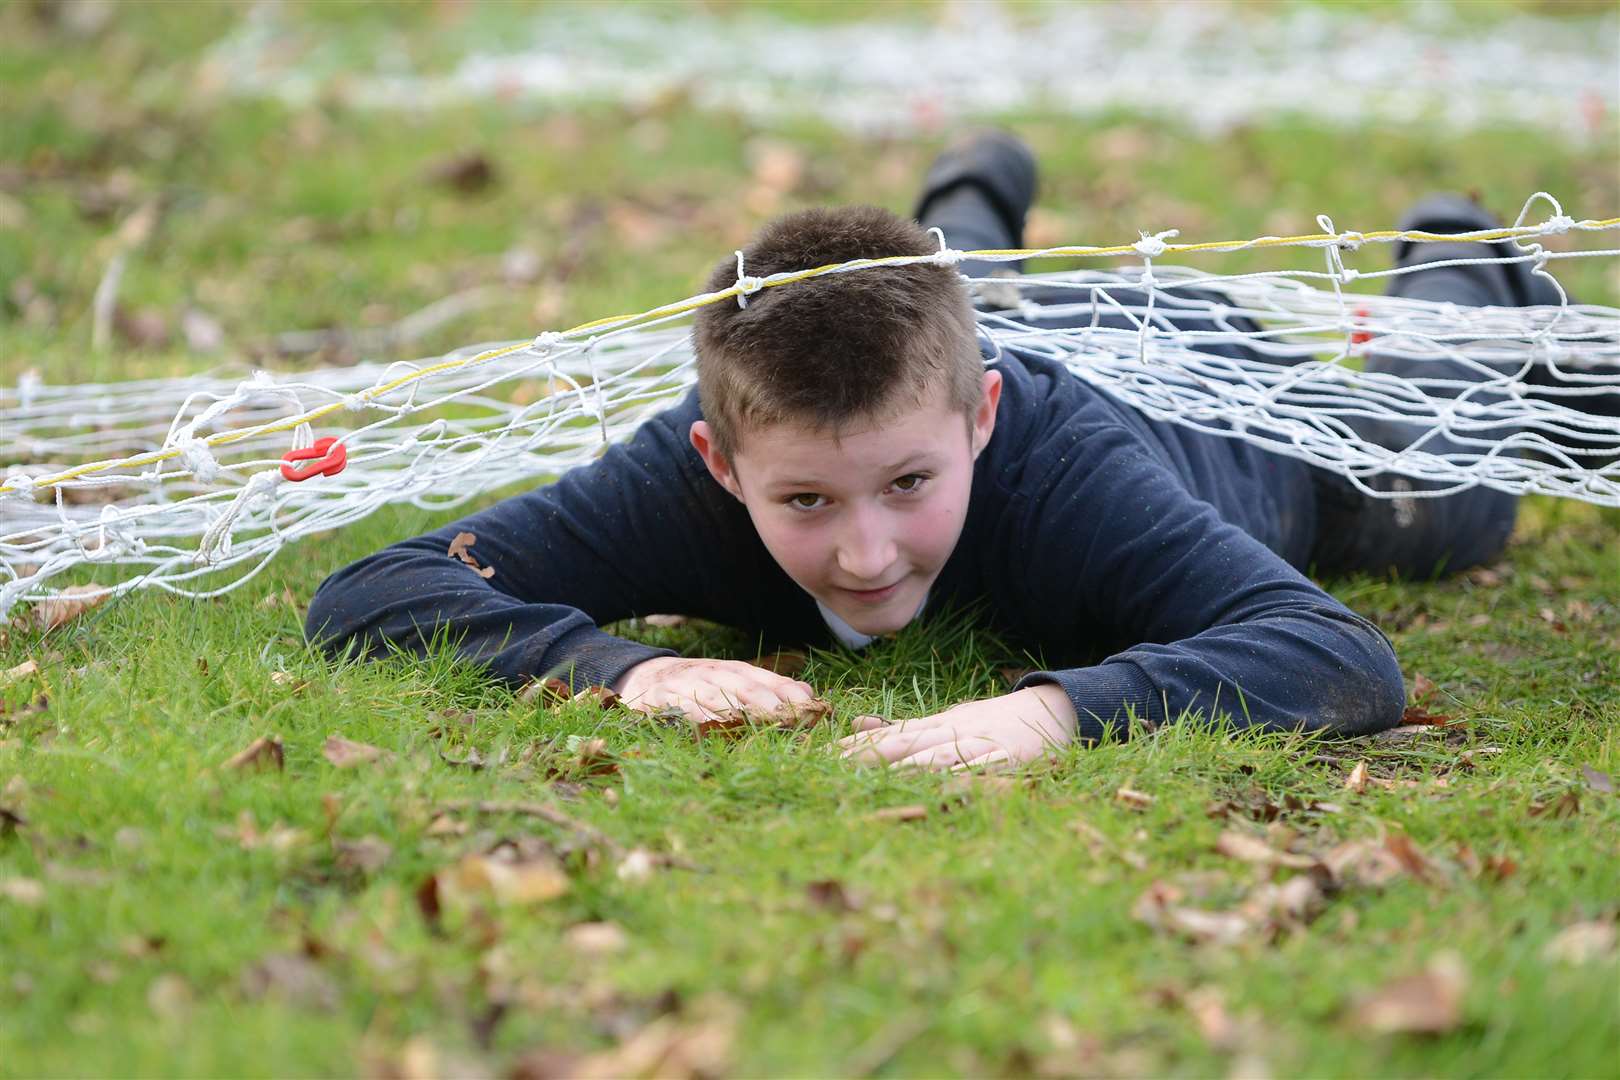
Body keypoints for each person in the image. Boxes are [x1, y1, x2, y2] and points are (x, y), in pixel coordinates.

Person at [303, 132, 1572, 771]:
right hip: (971, 331)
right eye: (804, 498)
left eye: (909, 486)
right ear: (722, 462)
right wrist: (618, 668)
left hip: (1223, 396)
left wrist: (1058, 712)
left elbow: (1340, 658)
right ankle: (970, 203)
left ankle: (1460, 273)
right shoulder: (695, 472)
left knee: (1449, 491)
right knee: (929, 313)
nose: (864, 550)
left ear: (981, 420)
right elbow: (379, 588)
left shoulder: (1062, 472)